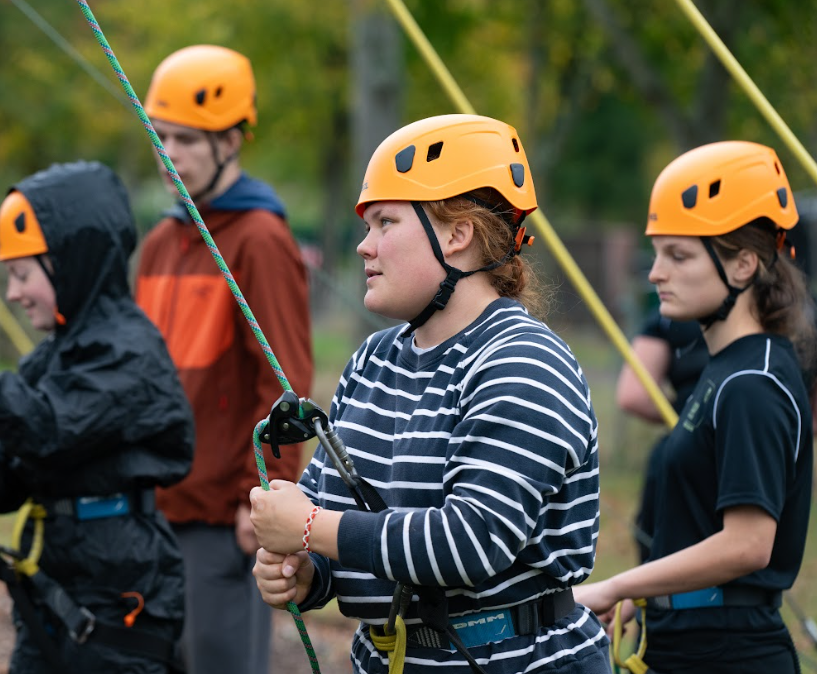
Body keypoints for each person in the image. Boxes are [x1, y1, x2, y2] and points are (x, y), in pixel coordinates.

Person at [249, 114, 611, 673]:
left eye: (386, 222)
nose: (364, 247)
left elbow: (470, 541)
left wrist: (309, 529)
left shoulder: (522, 362)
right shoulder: (373, 361)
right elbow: (335, 518)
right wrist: (307, 573)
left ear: (457, 235)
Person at [0, 160, 195, 673]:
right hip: (54, 581)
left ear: (69, 263)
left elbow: (50, 429)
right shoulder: (52, 358)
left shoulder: (128, 352)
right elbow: (6, 471)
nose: (13, 293)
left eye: (22, 275)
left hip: (121, 585)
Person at [574, 141, 815, 674]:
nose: (656, 273)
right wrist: (646, 598)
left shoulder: (752, 383)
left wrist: (617, 586)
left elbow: (748, 545)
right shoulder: (728, 368)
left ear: (743, 264)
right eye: (657, 253)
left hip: (729, 656)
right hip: (689, 646)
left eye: (678, 256)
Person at [134, 44, 313, 674]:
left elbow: (285, 380)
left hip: (222, 517)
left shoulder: (260, 237)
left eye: (186, 139)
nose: (168, 154)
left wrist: (261, 493)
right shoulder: (161, 241)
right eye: (160, 136)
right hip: (152, 510)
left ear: (231, 140)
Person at [616, 308, 708, 562]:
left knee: (661, 557)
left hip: (682, 454)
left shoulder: (669, 316)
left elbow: (633, 396)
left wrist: (687, 414)